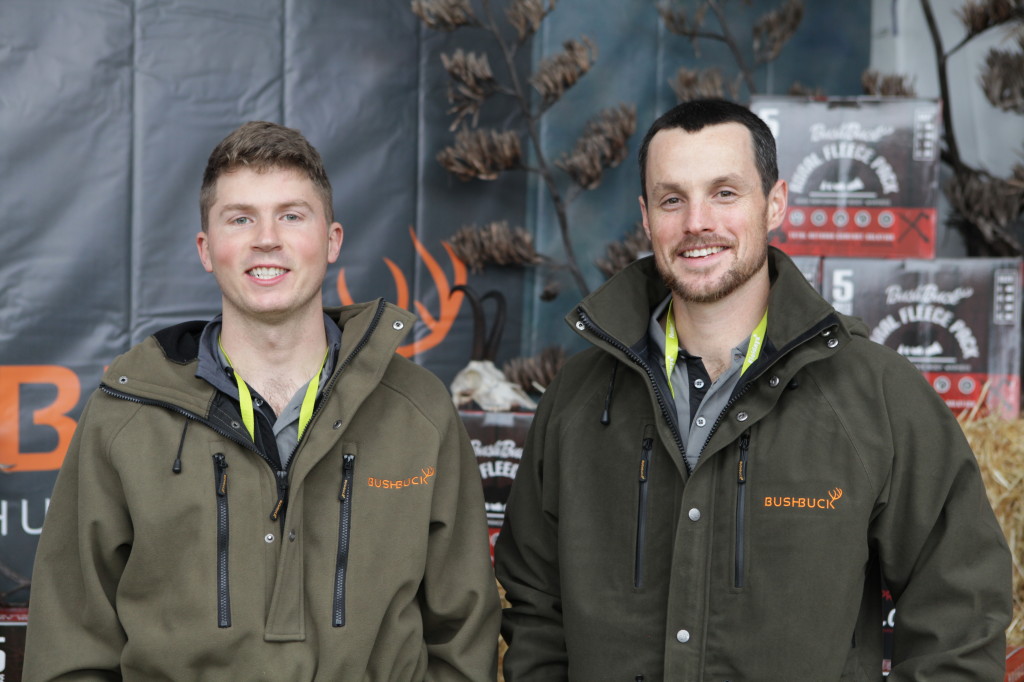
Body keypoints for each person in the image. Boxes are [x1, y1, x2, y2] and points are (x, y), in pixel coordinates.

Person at [494, 99, 1012, 680]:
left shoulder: (877, 394)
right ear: (646, 217)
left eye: (724, 193)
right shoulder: (578, 397)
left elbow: (960, 607)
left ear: (775, 204)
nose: (697, 223)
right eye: (672, 199)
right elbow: (534, 600)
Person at [24, 121, 500, 680]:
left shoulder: (418, 409)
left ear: (332, 240)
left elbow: (462, 632)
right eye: (241, 218)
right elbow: (71, 642)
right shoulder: (125, 414)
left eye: (292, 215)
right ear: (207, 249)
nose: (266, 238)